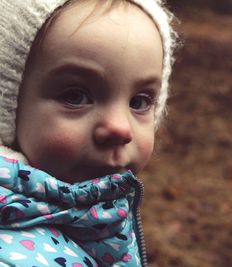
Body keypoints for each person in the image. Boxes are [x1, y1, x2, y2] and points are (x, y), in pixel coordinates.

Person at [0, 0, 178, 266]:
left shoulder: (95, 218)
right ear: (8, 104)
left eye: (138, 102)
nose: (121, 127)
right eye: (75, 96)